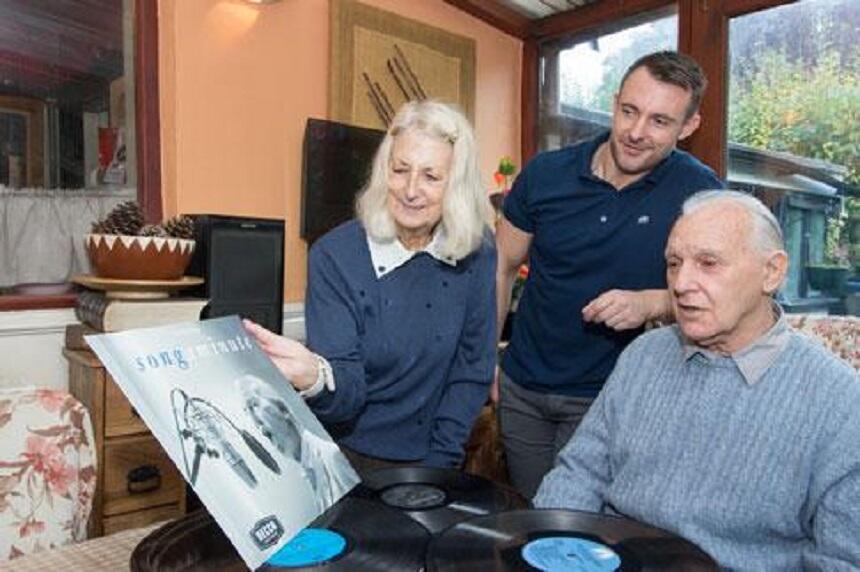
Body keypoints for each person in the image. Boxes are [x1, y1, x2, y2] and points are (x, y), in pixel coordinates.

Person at [534, 191, 860, 570]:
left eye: (708, 263)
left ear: (771, 272)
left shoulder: (841, 403)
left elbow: (842, 561)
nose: (681, 283)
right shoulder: (643, 356)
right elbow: (580, 474)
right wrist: (547, 552)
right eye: (674, 263)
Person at [495, 51, 724, 498]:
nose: (636, 133)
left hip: (614, 398)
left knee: (582, 529)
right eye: (629, 112)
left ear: (689, 127)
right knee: (532, 518)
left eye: (660, 121)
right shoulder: (545, 174)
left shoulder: (701, 192)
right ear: (615, 101)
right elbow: (501, 267)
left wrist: (651, 302)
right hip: (522, 389)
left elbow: (721, 295)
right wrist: (485, 358)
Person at [245, 100, 496, 478]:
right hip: (343, 456)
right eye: (400, 170)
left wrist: (440, 467)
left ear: (456, 186)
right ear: (384, 172)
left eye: (431, 176)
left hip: (434, 458)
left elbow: (472, 369)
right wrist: (316, 376)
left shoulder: (478, 252)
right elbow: (346, 387)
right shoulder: (334, 256)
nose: (411, 190)